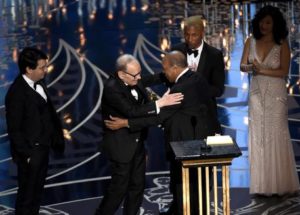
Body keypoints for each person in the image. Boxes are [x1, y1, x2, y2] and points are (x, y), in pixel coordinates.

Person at [105, 51, 215, 214]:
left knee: (183, 182)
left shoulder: (179, 89)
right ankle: (179, 209)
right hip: (195, 138)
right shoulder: (195, 77)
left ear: (176, 68)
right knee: (188, 182)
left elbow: (158, 118)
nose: (163, 72)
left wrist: (126, 123)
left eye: (165, 68)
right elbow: (159, 78)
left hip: (185, 142)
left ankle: (182, 211)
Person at [94, 54, 183, 215]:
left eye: (139, 73)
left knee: (137, 186)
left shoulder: (133, 79)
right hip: (121, 146)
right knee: (118, 189)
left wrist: (178, 70)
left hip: (137, 142)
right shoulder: (112, 88)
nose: (139, 77)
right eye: (136, 75)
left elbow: (150, 79)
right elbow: (131, 111)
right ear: (122, 74)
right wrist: (160, 103)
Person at [240, 5, 299, 196]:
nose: (264, 25)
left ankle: (280, 184)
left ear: (275, 24)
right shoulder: (251, 41)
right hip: (256, 94)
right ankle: (261, 185)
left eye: (268, 22)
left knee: (276, 134)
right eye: (261, 22)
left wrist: (260, 70)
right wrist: (251, 68)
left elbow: (283, 71)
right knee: (258, 136)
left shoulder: (282, 44)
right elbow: (243, 66)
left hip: (276, 94)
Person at [5, 47, 65, 215]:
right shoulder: (16, 93)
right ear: (29, 69)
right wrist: (27, 155)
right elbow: (14, 129)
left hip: (43, 148)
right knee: (27, 196)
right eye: (42, 68)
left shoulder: (40, 83)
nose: (45, 70)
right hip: (30, 153)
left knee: (37, 193)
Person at [172, 15, 225, 134]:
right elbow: (169, 80)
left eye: (194, 35)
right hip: (180, 114)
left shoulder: (214, 55)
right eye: (186, 34)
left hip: (205, 115)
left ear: (202, 33)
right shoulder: (176, 51)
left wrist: (196, 90)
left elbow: (218, 89)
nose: (189, 39)